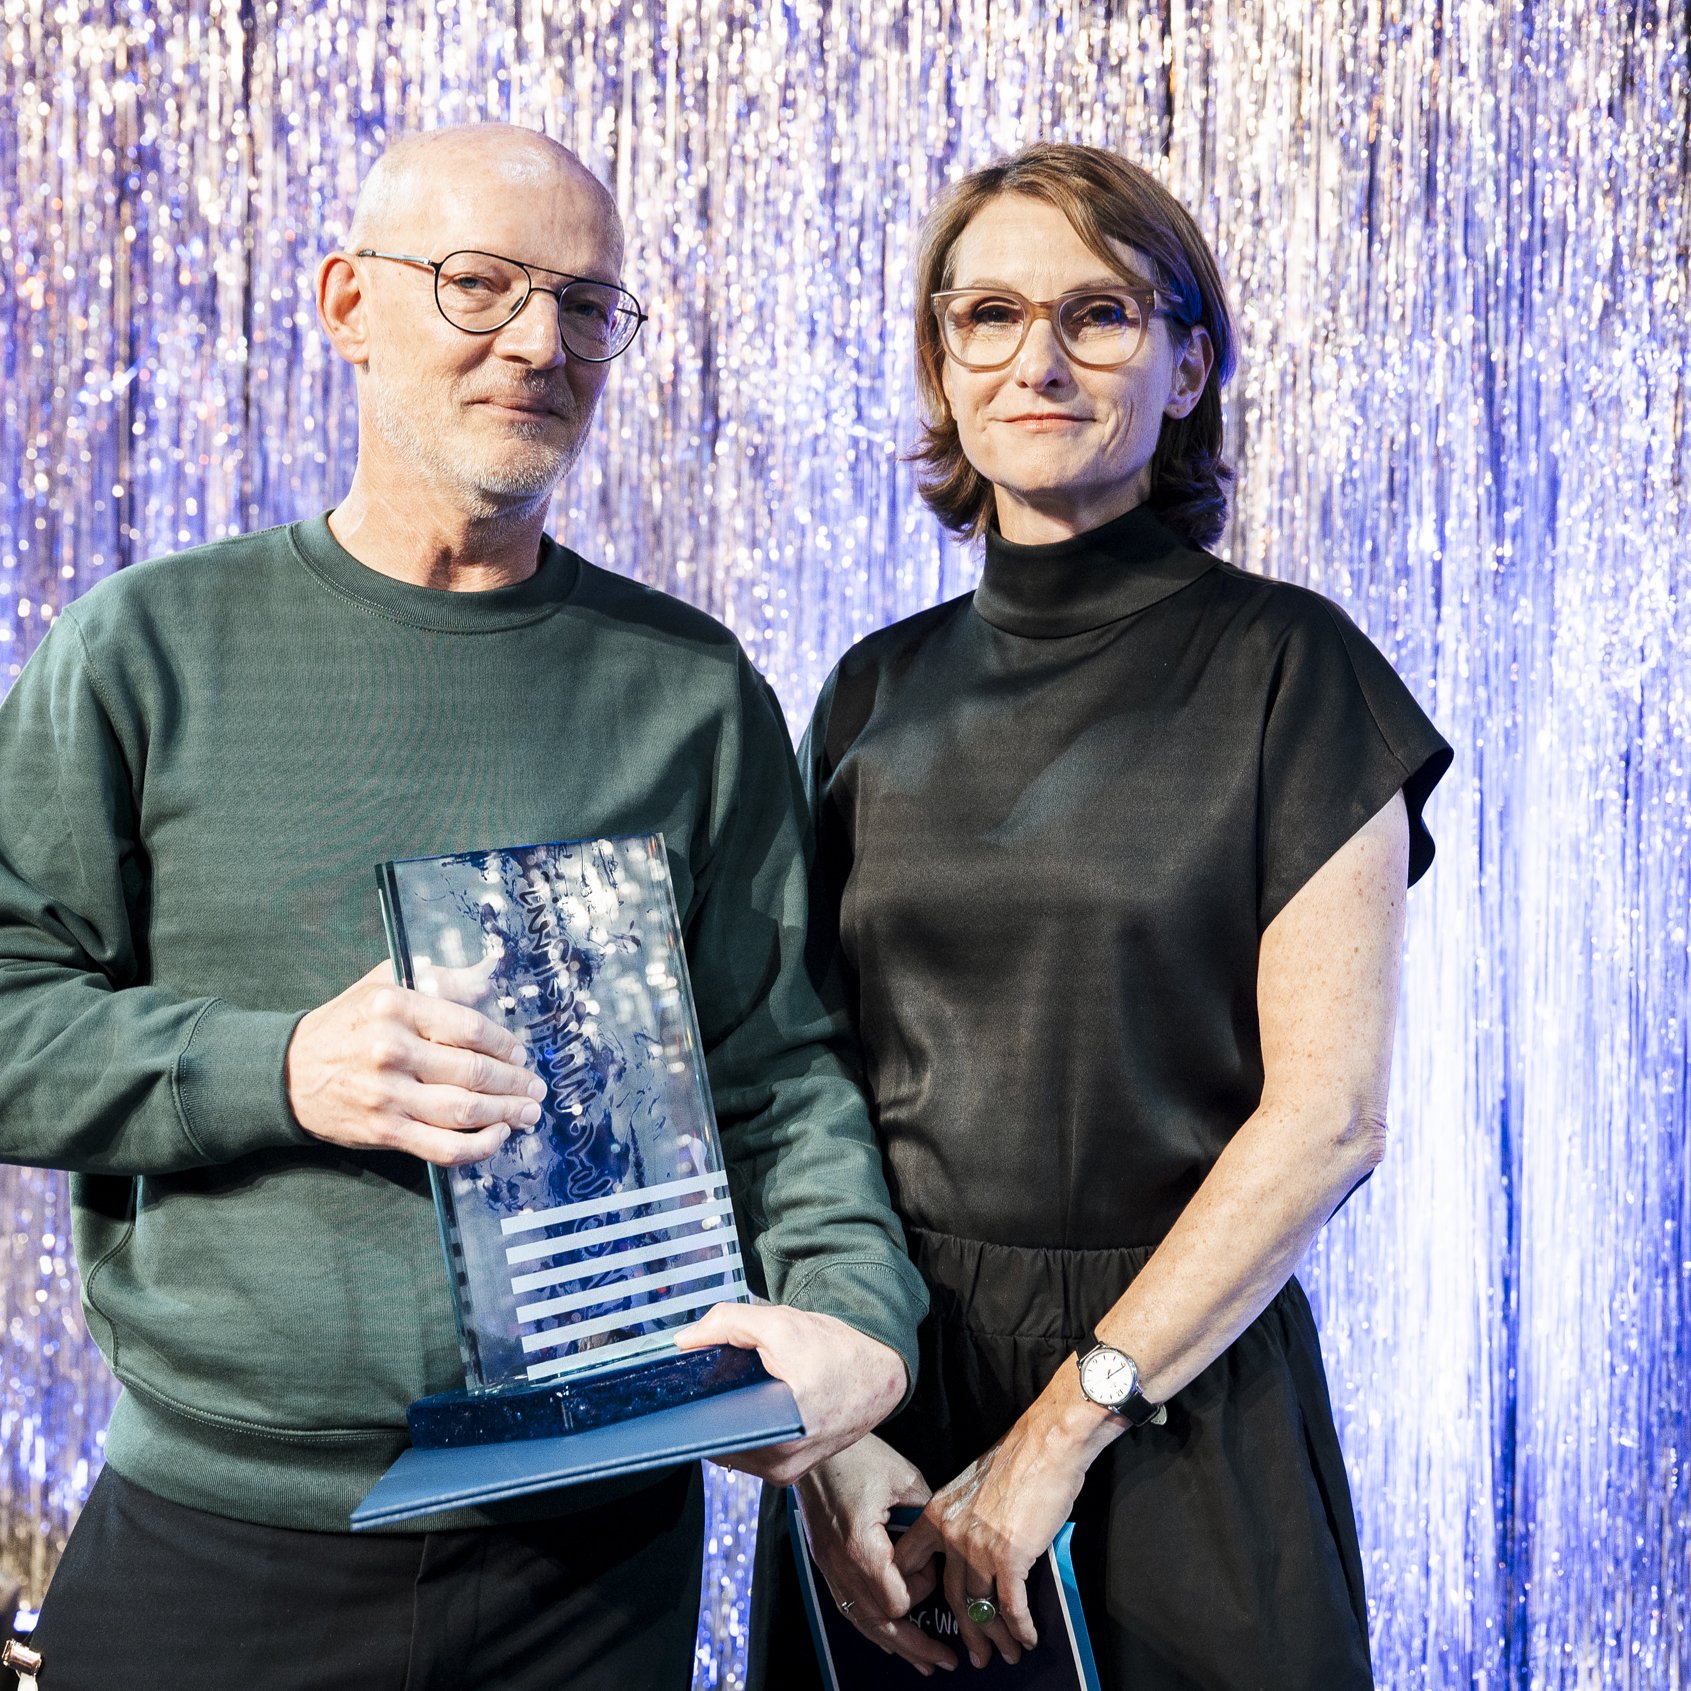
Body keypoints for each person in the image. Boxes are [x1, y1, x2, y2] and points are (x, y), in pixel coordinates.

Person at [0, 124, 926, 1691]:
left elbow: (774, 1073)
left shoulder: (690, 689)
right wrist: (281, 1070)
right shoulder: (144, 648)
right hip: (224, 1546)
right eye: (478, 284)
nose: (536, 343)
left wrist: (856, 1320)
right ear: (347, 303)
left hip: (594, 1561)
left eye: (584, 305)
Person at [758, 142, 1452, 1689]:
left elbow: (1331, 1119)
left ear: (1189, 362)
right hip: (894, 1410)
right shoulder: (871, 689)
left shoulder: (1295, 670)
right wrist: (831, 1435)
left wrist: (1060, 1431)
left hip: (1180, 1402)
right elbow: (799, 1082)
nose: (1039, 359)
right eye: (989, 315)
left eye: (1101, 315)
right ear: (943, 363)